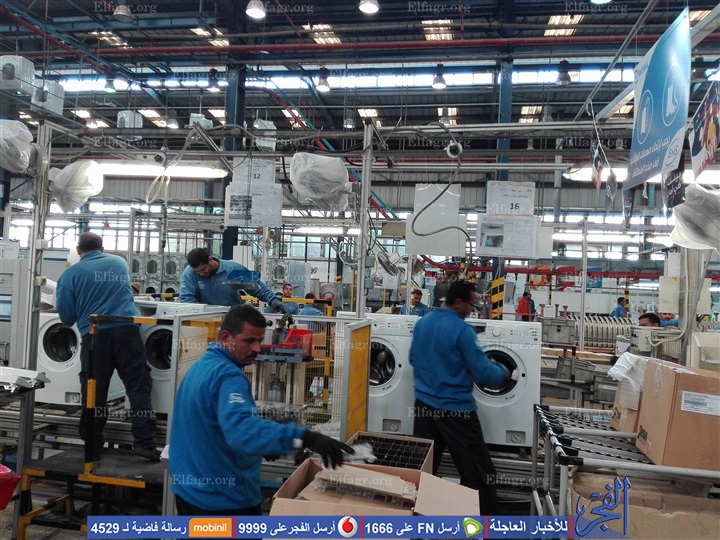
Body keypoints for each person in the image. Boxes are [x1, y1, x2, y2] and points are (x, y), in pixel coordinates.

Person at [169, 304, 352, 515]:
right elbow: (241, 430)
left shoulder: (201, 366)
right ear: (226, 337)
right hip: (222, 502)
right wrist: (304, 438)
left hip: (189, 493)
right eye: (248, 341)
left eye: (259, 341)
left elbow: (213, 427)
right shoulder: (229, 376)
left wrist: (263, 444)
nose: (257, 348)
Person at [409, 280, 510, 515]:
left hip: (424, 408)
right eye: (471, 305)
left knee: (424, 470)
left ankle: (414, 519)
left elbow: (413, 358)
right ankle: (488, 525)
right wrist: (504, 371)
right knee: (480, 473)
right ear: (458, 302)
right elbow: (483, 373)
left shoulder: (424, 322)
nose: (472, 310)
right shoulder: (462, 331)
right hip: (456, 412)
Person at [56, 233, 159, 461]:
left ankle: (92, 446)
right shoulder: (119, 262)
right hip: (127, 331)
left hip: (95, 336)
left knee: (94, 391)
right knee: (138, 387)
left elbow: (67, 318)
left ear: (78, 250)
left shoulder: (70, 275)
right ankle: (145, 443)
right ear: (102, 248)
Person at [180, 248, 285, 311]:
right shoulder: (190, 273)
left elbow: (256, 287)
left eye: (203, 269)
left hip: (232, 321)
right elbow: (186, 299)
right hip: (204, 322)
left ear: (210, 260)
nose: (201, 274)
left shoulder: (231, 270)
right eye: (198, 272)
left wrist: (273, 300)